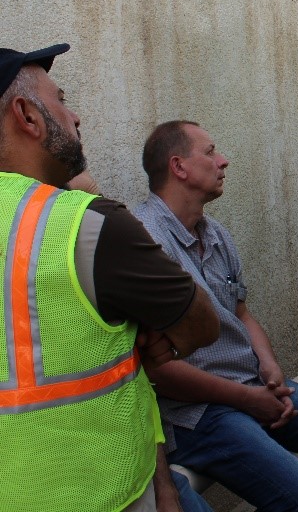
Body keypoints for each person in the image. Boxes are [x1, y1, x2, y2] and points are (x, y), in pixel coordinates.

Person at [0, 44, 220, 512]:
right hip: (103, 493)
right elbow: (202, 325)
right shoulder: (83, 223)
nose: (75, 115)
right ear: (28, 116)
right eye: (60, 98)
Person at [133, 120, 298, 512]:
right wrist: (250, 399)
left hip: (248, 386)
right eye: (211, 152)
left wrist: (269, 367)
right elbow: (157, 372)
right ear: (178, 167)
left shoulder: (216, 234)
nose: (224, 161)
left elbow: (242, 314)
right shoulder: (144, 241)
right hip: (193, 413)